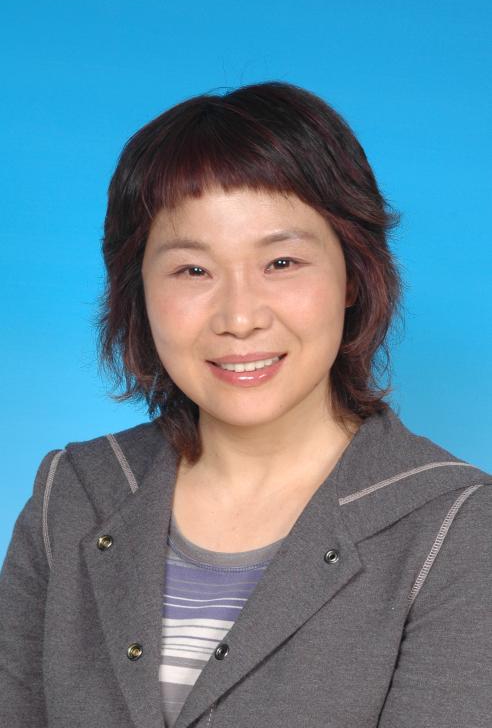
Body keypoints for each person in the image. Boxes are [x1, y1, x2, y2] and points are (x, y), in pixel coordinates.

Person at [1, 81, 491, 728]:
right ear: (137, 290)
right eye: (193, 271)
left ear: (353, 274)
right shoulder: (73, 493)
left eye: (281, 262)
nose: (239, 317)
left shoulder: (457, 526)